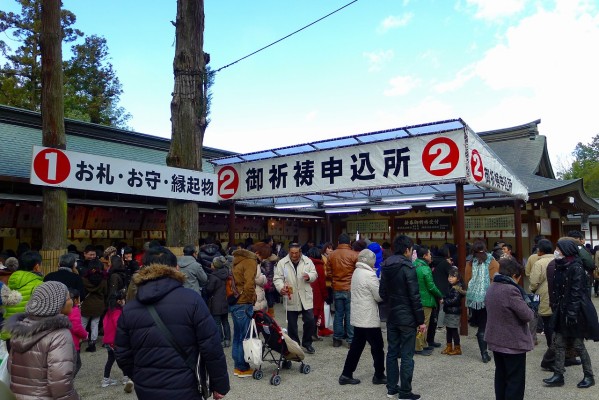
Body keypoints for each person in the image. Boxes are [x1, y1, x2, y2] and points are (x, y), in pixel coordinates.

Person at [115, 246, 229, 399]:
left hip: (147, 388)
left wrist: (139, 376)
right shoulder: (192, 300)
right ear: (176, 268)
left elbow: (122, 353)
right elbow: (211, 346)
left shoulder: (130, 309)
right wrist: (220, 384)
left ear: (144, 270)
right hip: (186, 385)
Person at [5, 281, 80, 399]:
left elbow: (10, 367)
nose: (72, 302)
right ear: (59, 305)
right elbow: (60, 382)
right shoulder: (59, 334)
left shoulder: (21, 329)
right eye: (69, 298)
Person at [543, 239, 599, 389]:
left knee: (578, 345)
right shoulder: (559, 266)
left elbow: (577, 293)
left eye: (558, 249)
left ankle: (589, 376)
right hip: (562, 310)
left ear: (566, 250)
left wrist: (572, 314)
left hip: (575, 313)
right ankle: (558, 375)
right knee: (559, 343)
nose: (556, 251)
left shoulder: (576, 267)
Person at [379, 235, 426, 400]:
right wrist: (421, 321)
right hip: (407, 318)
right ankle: (405, 392)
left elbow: (381, 293)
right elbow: (415, 296)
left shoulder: (385, 266)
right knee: (406, 355)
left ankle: (391, 389)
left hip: (392, 315)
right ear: (407, 250)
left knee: (391, 352)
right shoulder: (408, 268)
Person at [485, 258, 535, 400]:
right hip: (512, 341)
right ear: (514, 275)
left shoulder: (492, 286)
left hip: (496, 339)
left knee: (501, 376)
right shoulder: (511, 290)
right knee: (515, 380)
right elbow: (527, 315)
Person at [338, 249, 386, 386]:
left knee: (357, 346)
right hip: (368, 317)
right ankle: (379, 375)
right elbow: (378, 296)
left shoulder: (357, 272)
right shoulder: (369, 275)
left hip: (359, 315)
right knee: (377, 347)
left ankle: (346, 374)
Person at [274, 242, 318, 354]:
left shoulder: (307, 261)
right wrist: (280, 288)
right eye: (292, 253)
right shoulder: (282, 263)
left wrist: (309, 277)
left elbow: (315, 274)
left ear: (300, 252)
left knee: (310, 320)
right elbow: (277, 278)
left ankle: (307, 343)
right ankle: (295, 345)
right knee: (292, 324)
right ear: (289, 251)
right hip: (291, 295)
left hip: (305, 295)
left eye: (296, 253)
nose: (294, 255)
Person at [465, 239, 499, 363]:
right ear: (485, 249)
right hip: (490, 296)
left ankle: (484, 353)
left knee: (481, 325)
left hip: (475, 299)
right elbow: (497, 278)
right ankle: (492, 350)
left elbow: (467, 279)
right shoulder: (492, 261)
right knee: (490, 324)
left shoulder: (470, 263)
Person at [1, 251, 44, 345]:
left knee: (12, 359)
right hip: (27, 334)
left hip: (9, 333)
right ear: (37, 267)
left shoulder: (10, 281)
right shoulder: (39, 285)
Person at [229, 246, 260, 378]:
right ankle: (242, 368)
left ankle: (238, 366)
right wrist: (250, 299)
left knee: (237, 336)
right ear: (258, 254)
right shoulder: (250, 261)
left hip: (235, 302)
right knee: (244, 337)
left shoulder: (237, 260)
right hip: (243, 303)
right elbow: (249, 283)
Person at [327, 233, 358, 348]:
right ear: (349, 243)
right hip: (350, 288)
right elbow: (357, 272)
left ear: (338, 243)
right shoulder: (354, 255)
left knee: (338, 314)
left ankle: (337, 339)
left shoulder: (331, 255)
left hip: (336, 287)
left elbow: (328, 273)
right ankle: (350, 340)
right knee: (350, 315)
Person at [413, 245, 443, 356]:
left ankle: (423, 344)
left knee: (420, 324)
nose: (431, 256)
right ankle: (418, 346)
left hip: (416, 299)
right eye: (429, 254)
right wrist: (440, 295)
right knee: (423, 324)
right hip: (425, 300)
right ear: (425, 256)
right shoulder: (425, 269)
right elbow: (431, 286)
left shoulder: (414, 265)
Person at [102, 289, 133, 393]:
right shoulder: (118, 312)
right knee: (123, 358)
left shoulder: (109, 311)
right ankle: (125, 378)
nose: (125, 301)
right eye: (124, 299)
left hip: (107, 340)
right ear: (119, 301)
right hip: (115, 340)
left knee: (110, 360)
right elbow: (118, 325)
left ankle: (106, 379)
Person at [528, 239, 555, 347]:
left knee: (547, 322)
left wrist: (532, 290)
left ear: (541, 250)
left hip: (544, 295)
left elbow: (534, 282)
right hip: (558, 295)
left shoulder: (539, 263)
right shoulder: (558, 260)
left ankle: (551, 347)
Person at [428, 244, 453, 347]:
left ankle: (429, 338)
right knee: (439, 311)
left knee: (433, 313)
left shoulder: (432, 262)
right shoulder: (445, 263)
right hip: (441, 290)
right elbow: (452, 274)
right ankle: (437, 328)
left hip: (433, 289)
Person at [81, 259, 107, 353]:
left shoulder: (84, 279)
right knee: (95, 324)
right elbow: (105, 292)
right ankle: (92, 342)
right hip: (98, 305)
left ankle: (79, 341)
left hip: (86, 305)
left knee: (83, 323)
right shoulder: (103, 280)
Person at [206, 256, 232, 347]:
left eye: (212, 263)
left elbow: (209, 289)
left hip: (216, 302)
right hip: (225, 301)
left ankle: (220, 340)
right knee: (225, 321)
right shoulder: (226, 273)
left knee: (217, 322)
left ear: (215, 265)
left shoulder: (213, 277)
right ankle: (228, 340)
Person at [441, 268, 465, 355]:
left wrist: (444, 301)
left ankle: (457, 348)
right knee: (449, 330)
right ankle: (449, 346)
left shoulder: (457, 288)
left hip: (454, 312)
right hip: (449, 311)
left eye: (453, 277)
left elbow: (454, 300)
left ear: (458, 279)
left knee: (454, 330)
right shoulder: (451, 287)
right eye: (449, 276)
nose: (450, 278)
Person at [307, 247, 329, 341]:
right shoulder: (319, 266)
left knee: (308, 313)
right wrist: (325, 295)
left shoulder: (306, 264)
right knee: (316, 314)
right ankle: (313, 334)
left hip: (307, 292)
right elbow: (322, 283)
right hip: (317, 294)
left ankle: (309, 333)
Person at [67, 288, 88, 377]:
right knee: (77, 364)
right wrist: (85, 335)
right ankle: (68, 383)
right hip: (73, 342)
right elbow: (77, 327)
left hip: (65, 341)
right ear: (76, 300)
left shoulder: (62, 309)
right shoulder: (75, 310)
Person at [252, 243, 269, 313]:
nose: (263, 259)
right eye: (263, 257)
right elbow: (258, 279)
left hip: (256, 298)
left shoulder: (255, 262)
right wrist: (264, 278)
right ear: (257, 253)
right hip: (255, 299)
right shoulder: (254, 263)